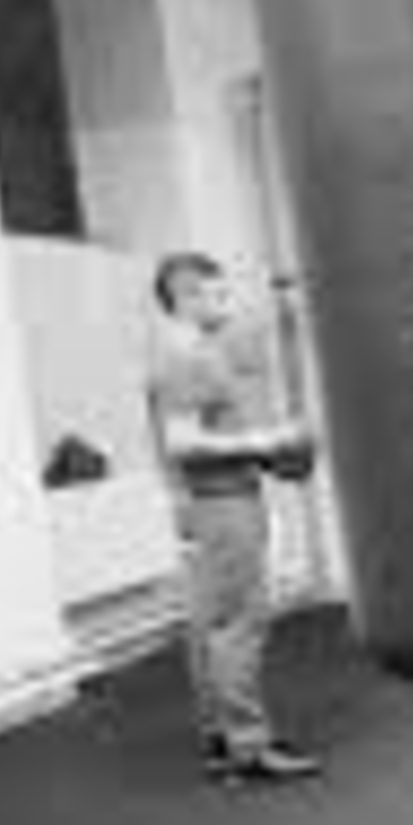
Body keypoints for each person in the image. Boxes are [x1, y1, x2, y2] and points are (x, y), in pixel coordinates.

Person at [146, 251, 322, 786]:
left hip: (206, 503)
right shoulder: (188, 358)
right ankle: (249, 747)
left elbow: (195, 434)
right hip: (223, 504)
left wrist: (286, 313)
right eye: (217, 293)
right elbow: (183, 442)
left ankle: (223, 741)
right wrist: (265, 441)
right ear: (186, 297)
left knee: (213, 626)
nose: (227, 302)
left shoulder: (183, 351)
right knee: (241, 624)